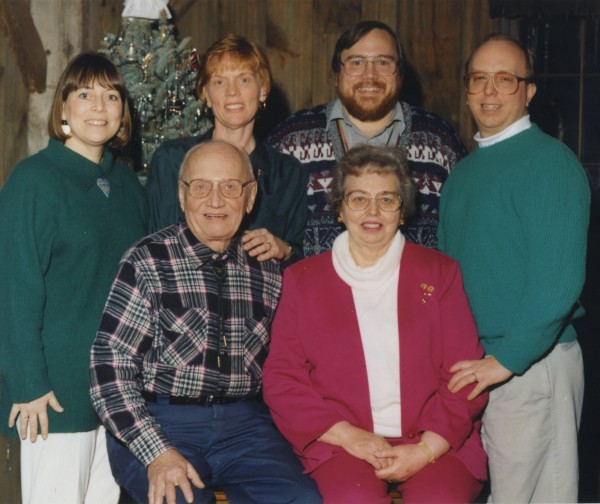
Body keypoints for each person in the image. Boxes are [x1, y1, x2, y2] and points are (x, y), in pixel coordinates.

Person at [90, 140, 321, 504]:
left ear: (250, 197)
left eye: (230, 187)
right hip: (160, 419)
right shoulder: (147, 261)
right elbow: (109, 370)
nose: (215, 201)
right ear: (182, 197)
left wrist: (290, 252)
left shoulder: (268, 267)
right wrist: (157, 453)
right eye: (201, 187)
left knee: (301, 498)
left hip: (246, 426)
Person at [262, 144, 488, 503]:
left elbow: (466, 375)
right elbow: (282, 378)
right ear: (339, 208)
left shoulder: (440, 273)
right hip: (342, 444)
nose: (372, 211)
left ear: (402, 211)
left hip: (433, 442)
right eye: (358, 199)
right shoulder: (302, 280)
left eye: (386, 199)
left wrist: (425, 449)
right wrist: (350, 436)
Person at [439, 34, 590, 503]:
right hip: (481, 365)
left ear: (528, 91)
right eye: (478, 79)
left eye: (505, 79)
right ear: (466, 89)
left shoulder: (550, 163)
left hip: (530, 365)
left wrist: (505, 361)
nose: (488, 92)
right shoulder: (465, 171)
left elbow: (558, 283)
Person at [0, 52, 147, 503]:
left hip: (117, 393)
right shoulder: (33, 181)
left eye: (110, 95)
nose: (98, 106)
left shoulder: (127, 187)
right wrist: (29, 384)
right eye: (84, 94)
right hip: (54, 395)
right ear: (63, 108)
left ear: (123, 111)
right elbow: (14, 289)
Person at [265, 20, 467, 256]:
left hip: (414, 291)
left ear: (400, 75)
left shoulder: (441, 141)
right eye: (356, 62)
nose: (370, 75)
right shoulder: (289, 140)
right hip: (318, 291)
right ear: (336, 75)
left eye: (383, 62)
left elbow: (467, 231)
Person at [146, 34, 307, 267]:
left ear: (262, 90)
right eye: (220, 82)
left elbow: (298, 261)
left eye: (243, 80)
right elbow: (158, 248)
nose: (232, 92)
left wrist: (285, 250)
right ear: (206, 95)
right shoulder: (172, 160)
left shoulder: (288, 174)